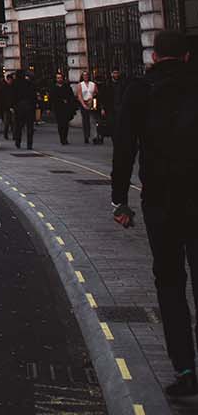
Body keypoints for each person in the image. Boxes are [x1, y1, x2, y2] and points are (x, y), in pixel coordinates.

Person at [110, 30, 198, 399]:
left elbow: (124, 146)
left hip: (161, 199)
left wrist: (119, 199)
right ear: (188, 57)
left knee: (170, 284)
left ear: (155, 55)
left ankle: (185, 370)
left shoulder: (141, 90)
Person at [49, 71, 78, 145]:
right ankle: (62, 138)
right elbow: (51, 98)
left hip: (66, 107)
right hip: (58, 107)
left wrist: (69, 103)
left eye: (60, 78)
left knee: (65, 124)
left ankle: (65, 137)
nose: (59, 79)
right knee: (60, 124)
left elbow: (71, 97)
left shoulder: (67, 87)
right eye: (57, 78)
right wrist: (50, 108)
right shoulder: (53, 87)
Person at [11, 71, 38, 149]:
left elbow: (13, 96)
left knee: (18, 126)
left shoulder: (15, 84)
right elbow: (34, 96)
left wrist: (13, 106)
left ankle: (18, 142)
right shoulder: (30, 84)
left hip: (19, 107)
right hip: (29, 107)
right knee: (30, 126)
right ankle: (29, 144)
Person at [97, 69, 122, 145]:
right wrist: (102, 108)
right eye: (114, 73)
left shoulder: (121, 84)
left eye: (117, 73)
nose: (116, 75)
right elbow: (102, 97)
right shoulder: (107, 84)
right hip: (110, 108)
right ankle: (115, 140)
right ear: (111, 74)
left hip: (120, 107)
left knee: (119, 125)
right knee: (112, 125)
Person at [76, 71, 99, 145]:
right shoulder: (80, 85)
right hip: (84, 102)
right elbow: (79, 95)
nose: (85, 77)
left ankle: (94, 136)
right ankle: (86, 136)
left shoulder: (93, 84)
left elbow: (96, 93)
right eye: (84, 75)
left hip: (91, 102)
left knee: (93, 120)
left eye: (87, 75)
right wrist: (83, 104)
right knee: (85, 121)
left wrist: (92, 100)